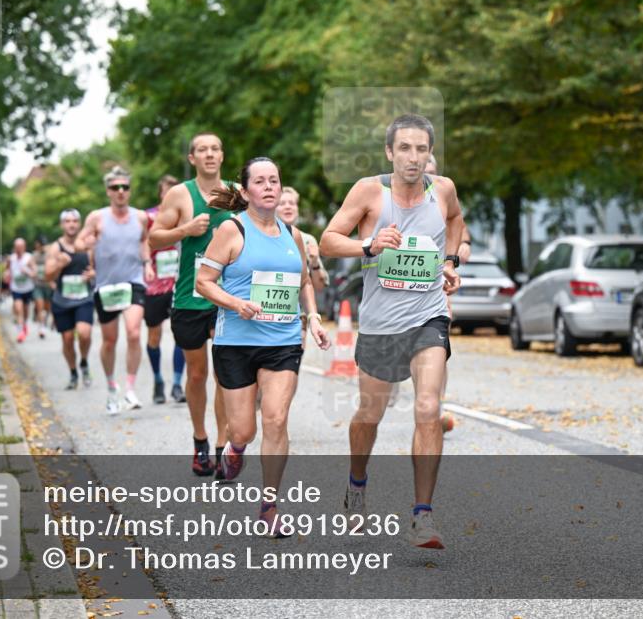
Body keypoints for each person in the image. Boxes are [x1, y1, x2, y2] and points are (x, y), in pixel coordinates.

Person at [320, 114, 464, 550]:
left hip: (428, 318)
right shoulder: (369, 191)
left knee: (427, 407)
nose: (414, 157)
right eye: (405, 148)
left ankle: (422, 515)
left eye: (421, 149)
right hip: (382, 326)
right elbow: (328, 240)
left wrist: (450, 261)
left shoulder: (443, 190)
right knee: (369, 417)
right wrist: (369, 245)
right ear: (390, 152)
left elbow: (456, 221)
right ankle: (356, 487)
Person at [197, 157, 331, 536]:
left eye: (275, 179)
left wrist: (314, 317)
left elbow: (304, 281)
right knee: (243, 431)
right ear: (245, 191)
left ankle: (270, 506)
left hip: (283, 341)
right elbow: (204, 282)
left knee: (275, 418)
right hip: (235, 341)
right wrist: (237, 304)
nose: (270, 186)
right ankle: (234, 449)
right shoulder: (231, 229)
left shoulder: (294, 235)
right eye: (261, 181)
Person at [150, 132, 231, 476]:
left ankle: (222, 447)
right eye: (202, 150)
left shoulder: (234, 194)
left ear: (222, 155)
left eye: (215, 148)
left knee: (226, 375)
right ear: (192, 158)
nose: (209, 154)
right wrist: (185, 229)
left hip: (225, 296)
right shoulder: (180, 194)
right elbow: (154, 237)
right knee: (197, 374)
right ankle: (200, 439)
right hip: (189, 297)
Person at [77, 167, 153, 415]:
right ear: (108, 191)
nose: (120, 191)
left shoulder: (140, 216)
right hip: (106, 285)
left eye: (125, 187)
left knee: (133, 333)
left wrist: (148, 264)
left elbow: (144, 240)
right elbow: (79, 242)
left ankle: (130, 389)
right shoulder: (96, 217)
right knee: (110, 341)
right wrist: (86, 243)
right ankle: (111, 387)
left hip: (133, 281)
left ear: (129, 191)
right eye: (115, 188)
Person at [144, 175, 187, 404]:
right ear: (161, 194)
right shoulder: (149, 217)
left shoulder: (187, 217)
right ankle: (158, 380)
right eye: (166, 192)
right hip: (153, 285)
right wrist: (144, 265)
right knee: (154, 334)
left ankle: (177, 384)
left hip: (180, 282)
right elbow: (142, 243)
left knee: (182, 334)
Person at [46, 209, 95, 390]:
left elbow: (101, 269)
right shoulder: (55, 248)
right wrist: (59, 264)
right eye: (67, 221)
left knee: (84, 333)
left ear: (80, 224)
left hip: (84, 298)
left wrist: (93, 274)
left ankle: (83, 361)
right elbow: (47, 276)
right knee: (67, 339)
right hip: (62, 300)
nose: (71, 224)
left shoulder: (89, 247)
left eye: (74, 221)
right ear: (62, 225)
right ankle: (74, 372)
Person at [424, 155, 471, 264]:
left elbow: (457, 220)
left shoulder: (443, 194)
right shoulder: (395, 193)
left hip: (436, 262)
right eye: (425, 173)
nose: (428, 178)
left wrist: (465, 243)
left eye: (432, 173)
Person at [4, 238, 36, 343]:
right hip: (16, 288)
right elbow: (7, 270)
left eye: (20, 247)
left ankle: (24, 325)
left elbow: (34, 273)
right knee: (18, 309)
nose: (18, 249)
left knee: (26, 310)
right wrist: (7, 275)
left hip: (27, 288)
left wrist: (27, 271)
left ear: (24, 247)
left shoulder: (29, 258)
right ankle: (20, 332)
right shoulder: (11, 258)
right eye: (17, 247)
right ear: (14, 247)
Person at [32, 236, 53, 338]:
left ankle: (44, 322)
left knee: (47, 308)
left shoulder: (50, 255)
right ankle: (41, 327)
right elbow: (31, 266)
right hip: (38, 285)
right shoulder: (34, 255)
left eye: (43, 244)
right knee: (40, 306)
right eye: (40, 244)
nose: (42, 246)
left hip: (48, 285)